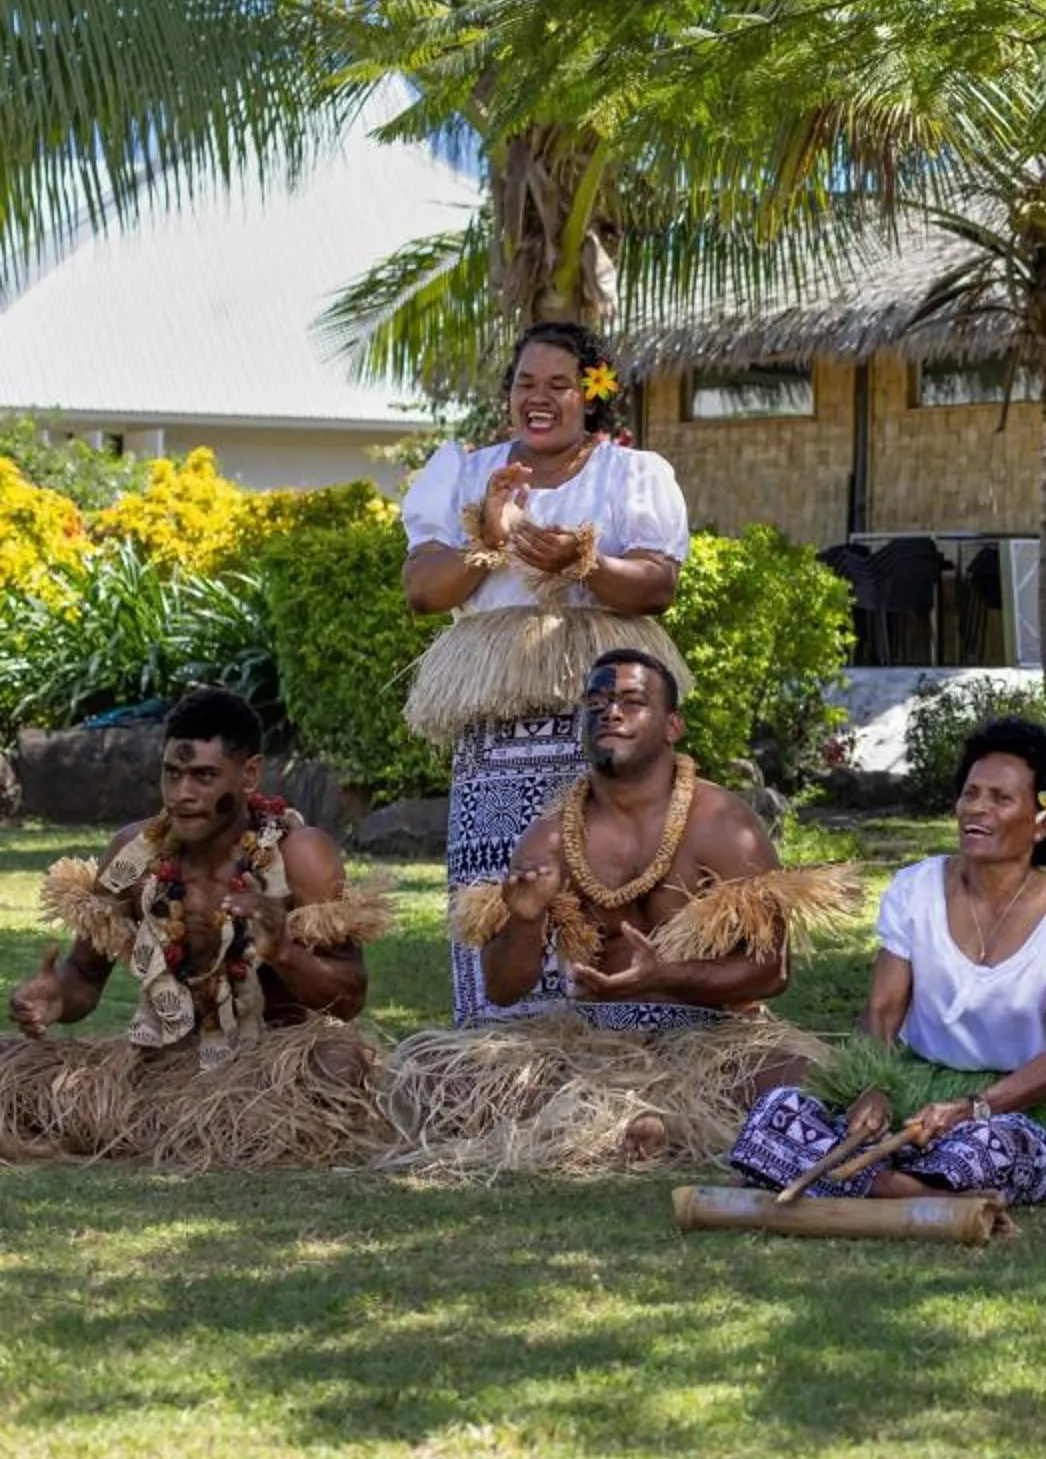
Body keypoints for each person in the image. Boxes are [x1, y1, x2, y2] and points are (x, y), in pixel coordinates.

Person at [401, 321, 692, 1025]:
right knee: (503, 879)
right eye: (525, 383)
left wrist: (582, 563)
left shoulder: (631, 474)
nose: (539, 398)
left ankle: (619, 1037)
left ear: (591, 394)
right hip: (498, 729)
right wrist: (490, 540)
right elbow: (422, 590)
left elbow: (656, 585)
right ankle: (501, 1041)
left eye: (559, 385)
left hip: (598, 716)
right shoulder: (469, 472)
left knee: (608, 874)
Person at [730, 718, 1046, 1205]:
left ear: (1044, 819)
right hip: (914, 1085)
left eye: (1000, 799)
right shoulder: (914, 889)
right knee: (778, 1113)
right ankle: (912, 1189)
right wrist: (873, 1087)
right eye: (970, 793)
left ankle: (879, 1184)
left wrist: (972, 1108)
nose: (976, 808)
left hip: (1018, 1104)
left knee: (995, 1148)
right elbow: (882, 1013)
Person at [6, 688, 393, 1164]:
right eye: (173, 774)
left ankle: (210, 1133)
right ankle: (184, 1129)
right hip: (167, 1058)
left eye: (204, 776)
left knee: (339, 1065)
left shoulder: (298, 855)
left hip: (275, 1058)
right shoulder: (134, 857)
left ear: (249, 774)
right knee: (9, 1069)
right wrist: (54, 998)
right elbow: (84, 977)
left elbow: (351, 997)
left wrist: (284, 952)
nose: (182, 794)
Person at [447, 651, 845, 1032]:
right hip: (596, 1044)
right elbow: (501, 990)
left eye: (632, 701)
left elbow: (773, 971)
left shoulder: (723, 823)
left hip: (714, 1038)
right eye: (596, 701)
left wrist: (664, 977)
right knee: (434, 1072)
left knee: (797, 1088)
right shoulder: (551, 840)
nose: (610, 712)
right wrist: (525, 920)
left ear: (673, 726)